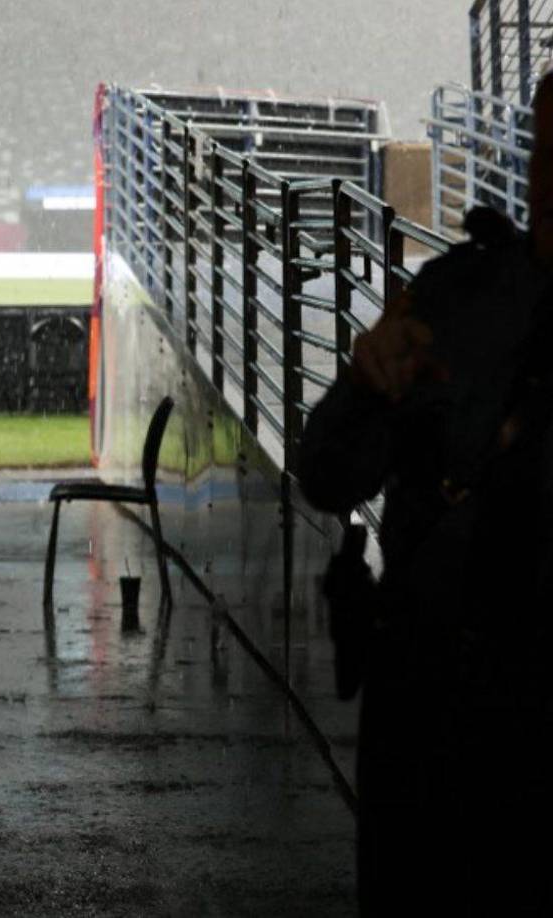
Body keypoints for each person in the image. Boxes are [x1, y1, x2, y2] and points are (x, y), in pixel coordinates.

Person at [299, 78, 553, 914]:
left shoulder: (464, 296)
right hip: (433, 701)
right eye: (548, 152)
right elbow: (331, 471)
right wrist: (369, 389)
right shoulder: (455, 297)